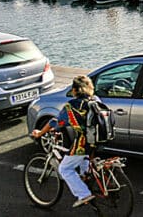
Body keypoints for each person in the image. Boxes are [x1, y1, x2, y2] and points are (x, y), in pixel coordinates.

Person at [32, 75, 97, 207]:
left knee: (65, 168)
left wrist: (40, 132)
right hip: (99, 138)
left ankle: (84, 194)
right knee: (83, 160)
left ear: (74, 90)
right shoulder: (95, 100)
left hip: (83, 142)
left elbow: (55, 122)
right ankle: (86, 177)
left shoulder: (72, 106)